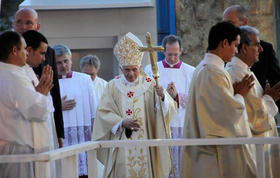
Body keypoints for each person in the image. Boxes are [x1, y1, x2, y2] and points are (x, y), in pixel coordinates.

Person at [92, 32, 177, 178]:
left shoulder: (150, 84)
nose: (131, 74)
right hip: (122, 145)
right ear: (121, 69)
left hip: (146, 144)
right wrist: (121, 122)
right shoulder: (113, 86)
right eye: (127, 70)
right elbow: (103, 112)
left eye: (134, 69)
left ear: (139, 66)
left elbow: (165, 112)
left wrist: (162, 96)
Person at [180, 22, 256, 178]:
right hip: (213, 156)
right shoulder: (213, 72)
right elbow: (226, 115)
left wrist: (232, 93)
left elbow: (214, 106)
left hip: (206, 153)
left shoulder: (207, 67)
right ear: (224, 43)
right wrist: (240, 95)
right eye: (235, 45)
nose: (236, 51)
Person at [226, 25, 280, 178]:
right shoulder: (237, 74)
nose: (261, 49)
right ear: (244, 48)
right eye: (257, 44)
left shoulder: (245, 71)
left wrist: (266, 96)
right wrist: (270, 98)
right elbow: (253, 118)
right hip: (252, 151)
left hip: (261, 148)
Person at [0, 31, 53, 178]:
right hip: (17, 151)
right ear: (14, 51)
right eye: (24, 49)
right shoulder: (14, 77)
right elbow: (37, 111)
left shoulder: (9, 73)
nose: (27, 53)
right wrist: (41, 93)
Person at [144, 34, 194, 178]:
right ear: (163, 52)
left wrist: (176, 96)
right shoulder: (151, 70)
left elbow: (197, 99)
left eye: (176, 54)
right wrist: (162, 95)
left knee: (183, 164)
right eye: (169, 54)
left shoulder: (191, 71)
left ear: (181, 51)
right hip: (161, 123)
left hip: (182, 123)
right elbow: (146, 97)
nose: (172, 58)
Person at [13, 8, 65, 147]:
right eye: (19, 22)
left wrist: (60, 132)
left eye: (28, 22)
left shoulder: (49, 52)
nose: (23, 27)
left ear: (37, 26)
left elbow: (54, 92)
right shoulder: (6, 53)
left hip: (45, 120)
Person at [223, 5, 280, 110]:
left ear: (244, 22)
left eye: (230, 24)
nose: (225, 29)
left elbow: (276, 86)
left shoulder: (265, 50)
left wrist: (269, 98)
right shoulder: (222, 50)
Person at [53, 44, 98, 178]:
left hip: (82, 138)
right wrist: (57, 107)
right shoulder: (48, 82)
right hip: (59, 137)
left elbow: (94, 110)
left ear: (71, 59)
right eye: (59, 62)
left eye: (66, 61)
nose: (63, 65)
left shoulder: (84, 80)